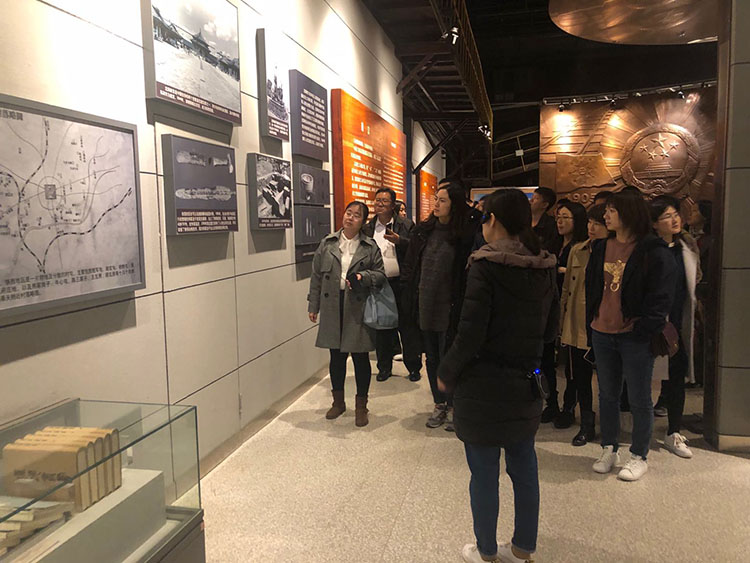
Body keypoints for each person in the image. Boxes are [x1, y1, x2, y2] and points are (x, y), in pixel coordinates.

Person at [436, 189, 558, 563]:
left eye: (484, 218)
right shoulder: (544, 265)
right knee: (525, 469)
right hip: (526, 383)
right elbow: (549, 331)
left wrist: (446, 372)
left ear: (494, 221)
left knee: (484, 472)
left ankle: (486, 552)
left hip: (482, 386)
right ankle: (523, 549)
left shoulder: (485, 265)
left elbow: (469, 334)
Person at [585, 189, 677, 481]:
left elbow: (662, 297)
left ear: (628, 213)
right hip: (602, 331)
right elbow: (592, 286)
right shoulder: (601, 247)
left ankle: (639, 455)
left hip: (634, 335)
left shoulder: (653, 250)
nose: (605, 215)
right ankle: (609, 448)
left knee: (639, 398)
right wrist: (591, 320)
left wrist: (643, 329)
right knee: (607, 395)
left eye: (611, 210)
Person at [401, 181, 477, 431]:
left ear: (455, 204)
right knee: (431, 357)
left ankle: (455, 405)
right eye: (436, 199)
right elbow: (411, 266)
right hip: (424, 303)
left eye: (442, 200)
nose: (436, 204)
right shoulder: (423, 231)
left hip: (450, 306)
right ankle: (439, 403)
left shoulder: (464, 236)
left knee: (450, 357)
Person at [307, 201, 386, 427]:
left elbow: (380, 275)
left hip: (357, 306)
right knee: (336, 357)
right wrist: (313, 305)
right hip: (332, 304)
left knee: (360, 358)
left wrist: (364, 277)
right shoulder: (328, 243)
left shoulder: (369, 246)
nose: (350, 217)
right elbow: (316, 276)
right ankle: (338, 402)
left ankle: (361, 406)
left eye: (356, 215)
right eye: (348, 213)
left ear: (363, 221)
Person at [650, 196, 699, 458]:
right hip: (653, 324)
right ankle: (640, 434)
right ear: (655, 223)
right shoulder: (648, 250)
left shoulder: (686, 247)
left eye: (676, 214)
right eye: (667, 216)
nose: (675, 219)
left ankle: (673, 432)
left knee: (677, 377)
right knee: (646, 378)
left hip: (679, 323)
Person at [559, 204, 609, 445]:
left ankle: (609, 424)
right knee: (580, 376)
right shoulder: (577, 250)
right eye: (590, 222)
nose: (592, 227)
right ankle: (586, 423)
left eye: (598, 223)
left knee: (608, 378)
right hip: (578, 323)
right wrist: (562, 323)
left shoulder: (616, 251)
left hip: (605, 323)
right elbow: (567, 289)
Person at [362, 188, 422, 382]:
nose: (380, 204)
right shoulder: (368, 228)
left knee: (407, 326)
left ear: (393, 204)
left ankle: (413, 367)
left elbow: (418, 248)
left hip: (402, 284)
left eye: (384, 201)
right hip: (380, 284)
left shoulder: (406, 225)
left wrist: (400, 241)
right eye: (377, 200)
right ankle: (384, 368)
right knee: (383, 328)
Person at [552, 201, 590, 430]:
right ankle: (554, 404)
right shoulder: (556, 243)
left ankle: (570, 407)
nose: (560, 221)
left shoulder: (580, 248)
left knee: (574, 366)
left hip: (574, 311)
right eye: (558, 217)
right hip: (555, 306)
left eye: (565, 217)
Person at [531, 187, 563, 424]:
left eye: (535, 199)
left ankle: (552, 402)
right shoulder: (523, 223)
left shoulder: (550, 227)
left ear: (545, 204)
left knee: (545, 357)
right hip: (525, 293)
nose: (531, 201)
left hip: (544, 292)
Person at [530, 187, 561, 254]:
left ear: (544, 205)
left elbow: (551, 250)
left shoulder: (552, 225)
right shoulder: (523, 220)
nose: (531, 200)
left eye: (535, 198)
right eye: (532, 197)